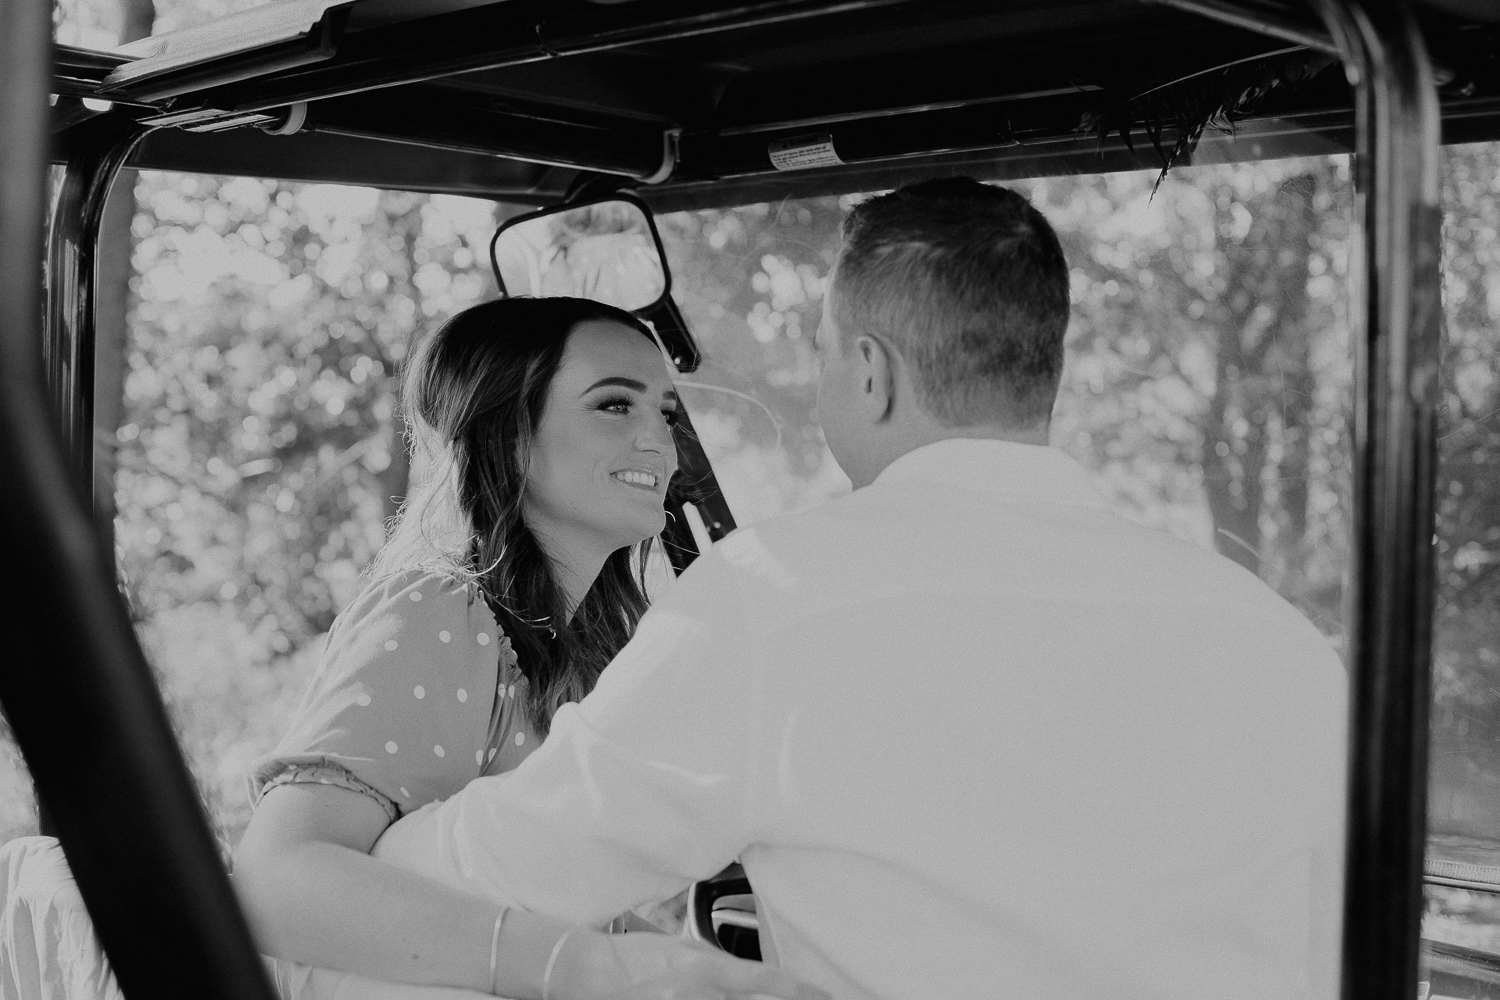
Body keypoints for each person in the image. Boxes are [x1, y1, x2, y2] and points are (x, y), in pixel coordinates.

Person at [0, 296, 817, 1000]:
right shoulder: (445, 611)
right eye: (614, 406)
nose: (659, 444)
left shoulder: (577, 648)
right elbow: (280, 879)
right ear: (507, 432)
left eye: (666, 413)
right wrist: (582, 967)